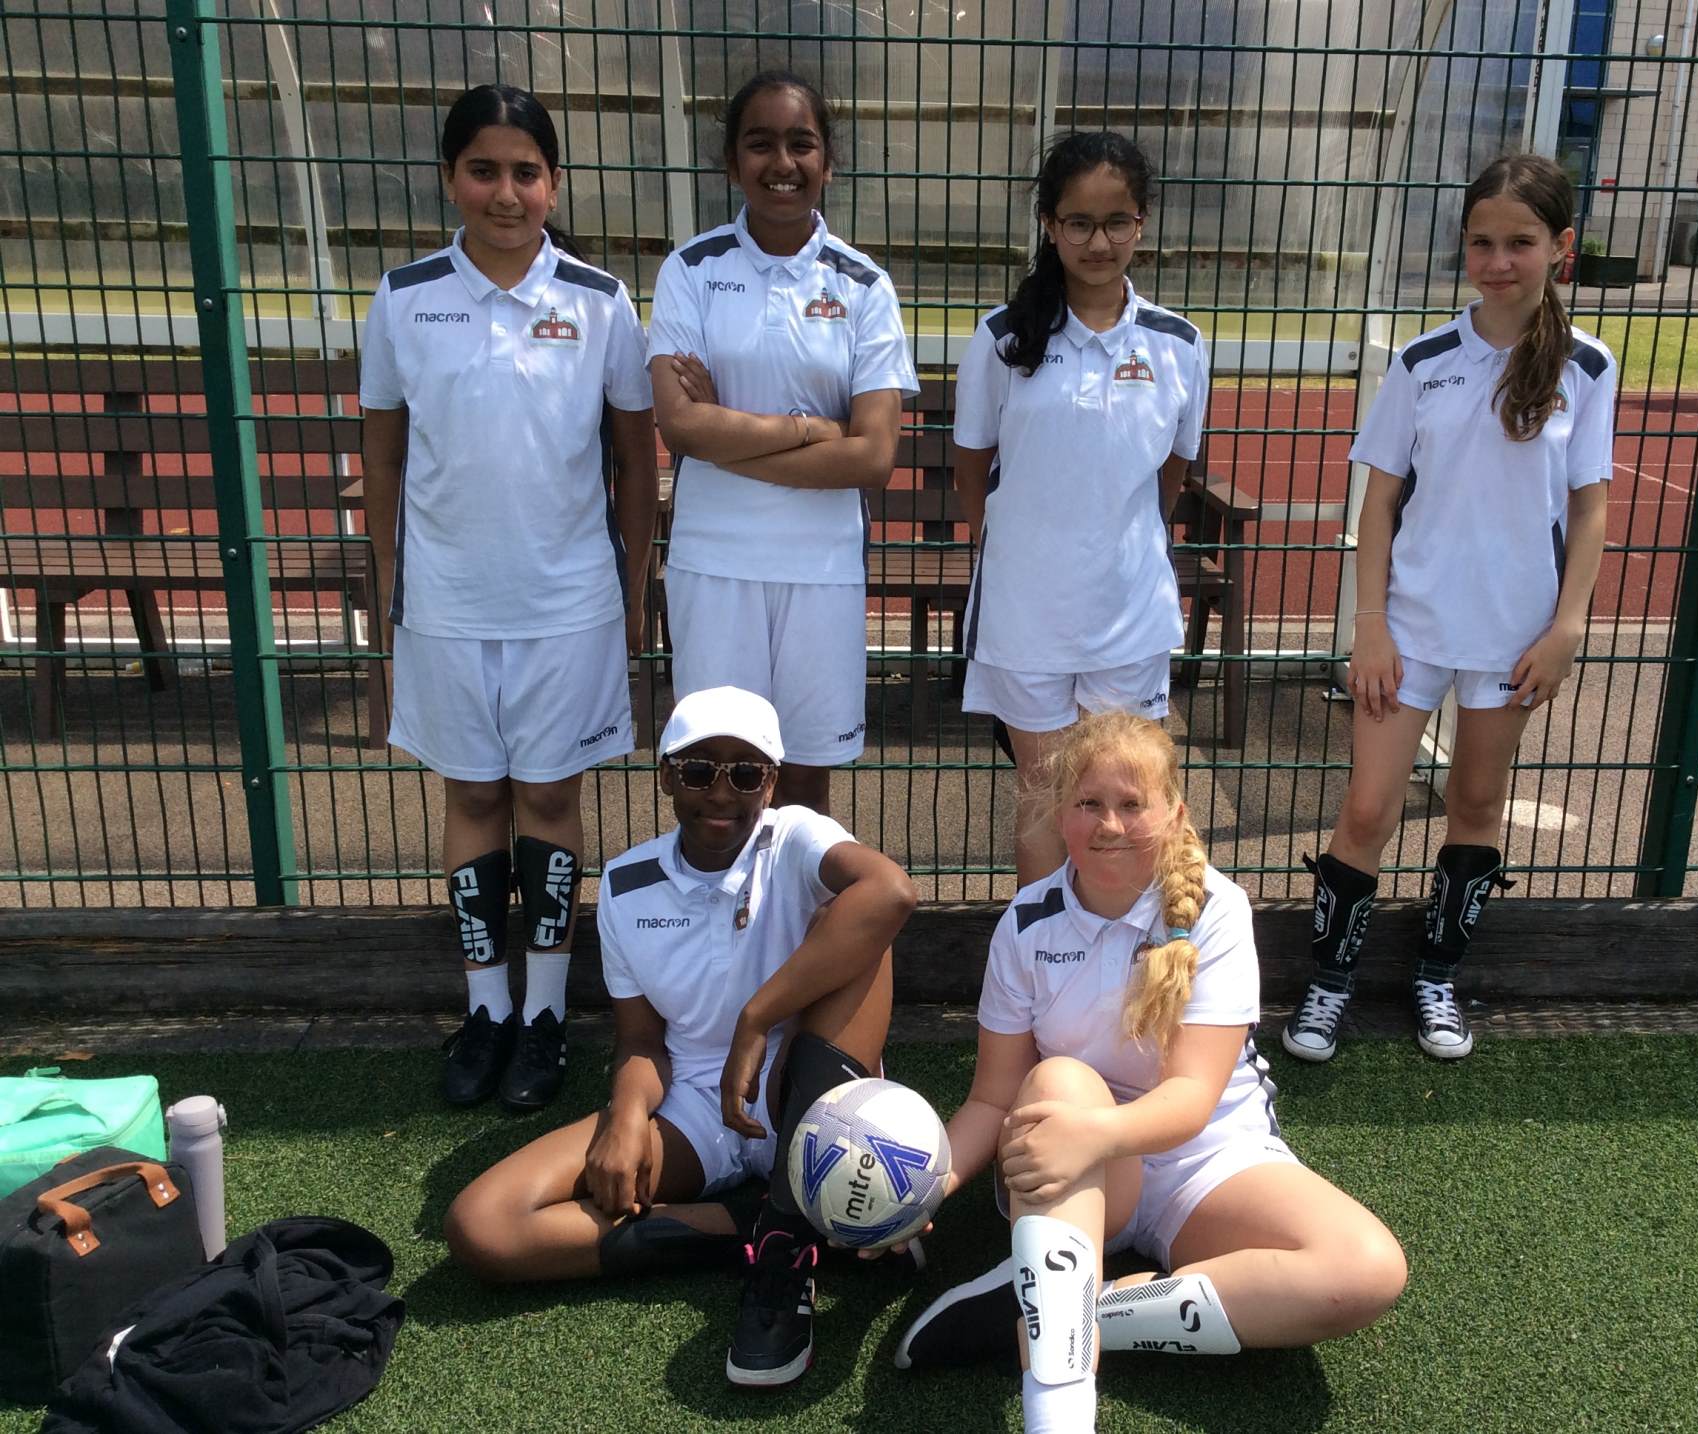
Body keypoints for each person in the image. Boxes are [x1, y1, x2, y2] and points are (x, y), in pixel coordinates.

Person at [893, 713, 1405, 1433]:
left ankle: (1058, 1309)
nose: (1110, 824)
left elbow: (1192, 1098)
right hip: (1080, 1165)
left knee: (1364, 1270)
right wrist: (926, 1190)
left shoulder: (1217, 910)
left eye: (1132, 804)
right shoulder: (1026, 924)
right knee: (1060, 1083)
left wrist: (1097, 1135)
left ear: (1174, 815)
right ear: (1059, 816)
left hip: (1208, 1158)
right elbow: (991, 1097)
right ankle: (1059, 1411)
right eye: (1089, 803)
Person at [443, 686, 918, 1391]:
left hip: (806, 1085)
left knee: (860, 922)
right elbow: (641, 1040)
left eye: (746, 773)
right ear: (666, 777)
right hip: (697, 1103)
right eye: (698, 771)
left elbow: (892, 892)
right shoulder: (626, 885)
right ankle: (772, 1224)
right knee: (484, 1225)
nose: (721, 792)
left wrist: (757, 1021)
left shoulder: (794, 837)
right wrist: (627, 1117)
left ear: (772, 784)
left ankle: (784, 1256)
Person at [1280, 153, 1617, 1065]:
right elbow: (1379, 500)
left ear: (1561, 247)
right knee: (1368, 810)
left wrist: (1567, 627)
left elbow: (1589, 506)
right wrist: (1370, 626)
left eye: (1520, 242)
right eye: (1482, 242)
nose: (1498, 261)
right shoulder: (1422, 360)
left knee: (1474, 801)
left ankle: (1437, 978)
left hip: (1514, 637)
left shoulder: (1588, 366)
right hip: (1411, 630)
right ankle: (1329, 983)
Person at [359, 84, 657, 1110]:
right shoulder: (404, 298)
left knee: (551, 801)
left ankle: (544, 1016)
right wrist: (391, 590)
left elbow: (635, 463)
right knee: (474, 799)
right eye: (483, 170)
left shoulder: (601, 301)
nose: (505, 192)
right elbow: (383, 459)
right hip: (445, 607)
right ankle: (485, 1008)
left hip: (568, 606)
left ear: (553, 184)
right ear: (451, 178)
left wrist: (630, 592)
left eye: (526, 172)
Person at [647, 69, 917, 815]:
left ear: (828, 161)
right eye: (760, 144)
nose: (782, 163)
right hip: (714, 563)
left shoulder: (864, 286)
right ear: (732, 163)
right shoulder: (690, 271)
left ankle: (796, 900)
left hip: (820, 567)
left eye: (802, 144)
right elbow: (680, 426)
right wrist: (810, 430)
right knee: (716, 778)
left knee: (803, 784)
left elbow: (872, 458)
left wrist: (726, 433)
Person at [953, 131, 1210, 887]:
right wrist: (1016, 547)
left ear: (1142, 223)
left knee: (1123, 799)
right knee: (1045, 799)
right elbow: (973, 467)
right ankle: (1041, 951)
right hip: (1025, 614)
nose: (1099, 243)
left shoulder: (1178, 344)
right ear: (1049, 225)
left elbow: (1171, 474)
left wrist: (1115, 542)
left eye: (1116, 222)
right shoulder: (1002, 339)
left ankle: (1120, 951)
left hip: (1128, 615)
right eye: (1078, 223)